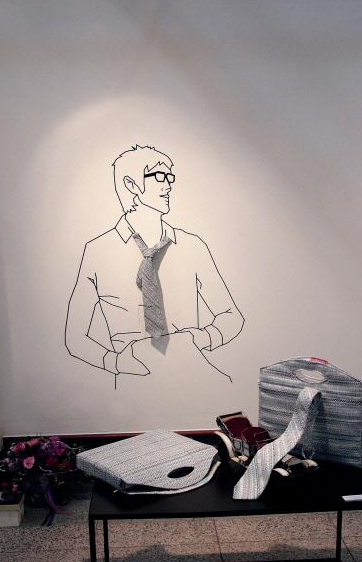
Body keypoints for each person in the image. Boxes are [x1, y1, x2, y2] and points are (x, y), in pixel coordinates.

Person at [65, 145, 244, 385]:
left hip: (194, 378)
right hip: (130, 385)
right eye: (159, 176)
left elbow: (231, 316)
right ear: (131, 184)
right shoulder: (96, 250)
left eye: (170, 177)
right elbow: (74, 336)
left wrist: (199, 339)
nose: (168, 185)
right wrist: (115, 362)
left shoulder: (193, 245)